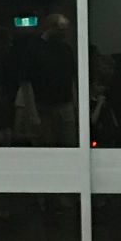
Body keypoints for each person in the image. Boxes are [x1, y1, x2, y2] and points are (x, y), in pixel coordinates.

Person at [30, 12, 77, 147]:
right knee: (48, 144)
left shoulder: (66, 49)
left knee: (68, 143)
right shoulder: (35, 49)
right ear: (51, 28)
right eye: (61, 29)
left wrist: (75, 105)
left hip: (64, 104)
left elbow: (71, 79)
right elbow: (27, 83)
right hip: (44, 106)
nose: (64, 33)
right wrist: (33, 113)